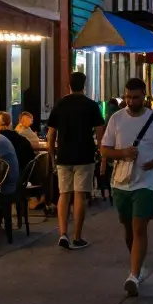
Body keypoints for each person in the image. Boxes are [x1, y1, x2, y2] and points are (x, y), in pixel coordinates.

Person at [101, 76, 153, 296]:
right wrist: (122, 153)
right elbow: (104, 149)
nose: (131, 101)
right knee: (128, 228)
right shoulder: (116, 119)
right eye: (127, 97)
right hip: (121, 182)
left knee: (139, 227)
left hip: (146, 182)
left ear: (144, 96)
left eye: (135, 97)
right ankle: (137, 263)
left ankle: (133, 275)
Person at [48, 71, 107, 250]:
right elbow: (100, 133)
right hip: (84, 154)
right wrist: (102, 154)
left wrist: (52, 156)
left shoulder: (60, 104)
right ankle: (77, 237)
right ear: (84, 85)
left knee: (64, 194)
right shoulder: (91, 105)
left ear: (69, 85)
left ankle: (62, 233)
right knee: (80, 195)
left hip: (63, 155)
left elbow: (51, 135)